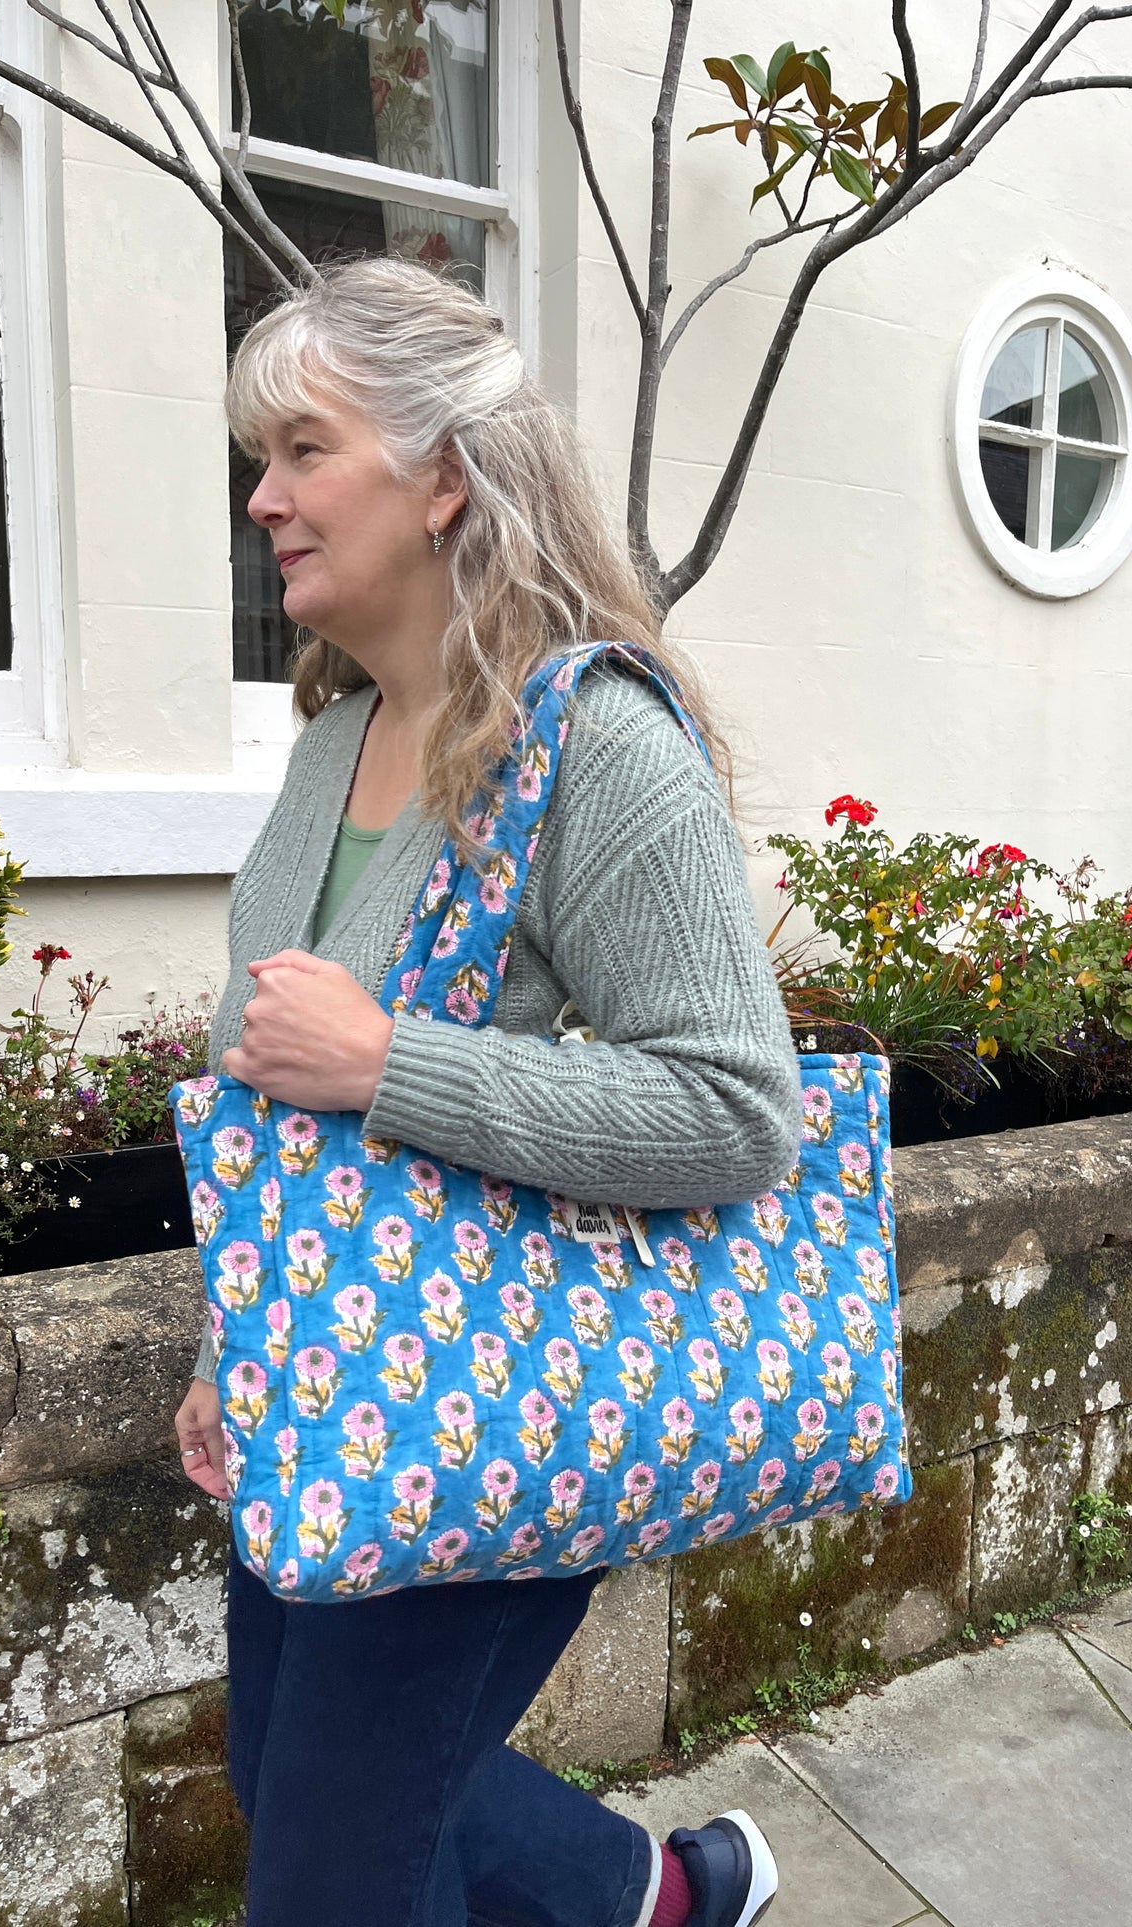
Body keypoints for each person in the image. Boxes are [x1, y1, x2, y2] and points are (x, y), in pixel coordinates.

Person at [173, 256, 800, 1927]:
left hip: (481, 1399)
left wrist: (394, 1062)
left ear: (443, 474)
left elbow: (739, 1111)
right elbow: (279, 1116)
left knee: (332, 1880)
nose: (263, 497)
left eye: (304, 450)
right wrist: (232, 1349)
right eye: (260, 458)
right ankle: (651, 1895)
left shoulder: (597, 747)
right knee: (285, 1781)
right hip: (322, 1379)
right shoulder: (335, 745)